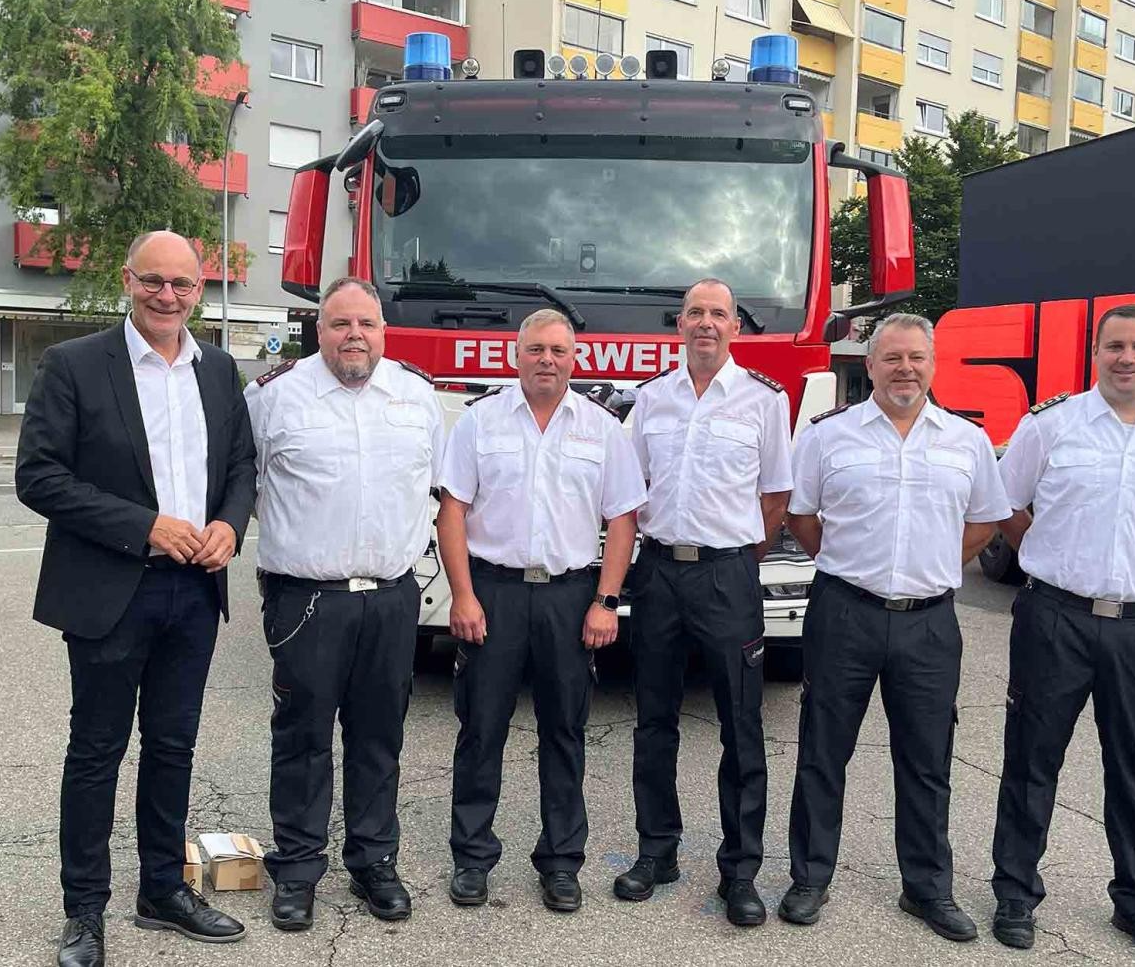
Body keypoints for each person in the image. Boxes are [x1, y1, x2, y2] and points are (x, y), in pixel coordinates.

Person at [16, 231, 257, 967]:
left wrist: (228, 525)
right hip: (109, 589)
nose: (167, 295)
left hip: (193, 592)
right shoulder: (75, 364)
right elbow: (39, 475)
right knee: (96, 752)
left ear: (198, 289)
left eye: (182, 284)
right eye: (153, 280)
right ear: (127, 280)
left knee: (173, 746)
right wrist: (143, 525)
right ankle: (84, 912)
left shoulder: (218, 370)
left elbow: (243, 465)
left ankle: (162, 890)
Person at [990, 304, 1135, 963]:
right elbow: (1005, 503)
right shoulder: (1050, 425)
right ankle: (1014, 892)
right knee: (1031, 759)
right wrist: (1051, 553)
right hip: (1053, 619)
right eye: (1114, 346)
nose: (1126, 357)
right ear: (1094, 353)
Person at [778, 312, 1010, 941]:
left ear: (933, 364)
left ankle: (927, 888)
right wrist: (850, 565)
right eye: (892, 358)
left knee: (927, 759)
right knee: (824, 751)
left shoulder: (964, 441)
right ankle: (810, 877)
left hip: (929, 624)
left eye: (916, 358)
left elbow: (987, 521)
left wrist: (933, 567)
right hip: (844, 612)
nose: (905, 368)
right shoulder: (830, 437)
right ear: (870, 365)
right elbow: (801, 516)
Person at [244, 277, 445, 931]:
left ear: (383, 330)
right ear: (319, 329)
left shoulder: (417, 396)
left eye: (365, 323)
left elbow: (435, 492)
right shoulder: (273, 398)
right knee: (301, 740)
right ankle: (297, 870)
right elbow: (239, 484)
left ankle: (373, 862)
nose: (353, 335)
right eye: (338, 324)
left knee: (378, 738)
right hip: (306, 600)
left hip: (390, 598)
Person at [438, 308, 645, 913]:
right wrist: (463, 594)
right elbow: (453, 510)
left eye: (558, 350)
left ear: (575, 359)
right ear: (515, 354)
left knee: (564, 731)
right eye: (535, 349)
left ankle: (561, 861)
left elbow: (623, 518)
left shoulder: (603, 429)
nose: (546, 360)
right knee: (481, 729)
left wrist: (607, 601)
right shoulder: (479, 422)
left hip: (569, 594)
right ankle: (472, 858)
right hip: (493, 592)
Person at [614, 278, 792, 927]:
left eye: (718, 313)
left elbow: (774, 496)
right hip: (659, 573)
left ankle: (738, 870)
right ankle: (655, 851)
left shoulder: (763, 401)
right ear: (679, 324)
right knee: (653, 720)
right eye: (696, 313)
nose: (706, 323)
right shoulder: (651, 398)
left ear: (734, 327)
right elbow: (629, 489)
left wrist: (736, 563)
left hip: (726, 575)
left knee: (741, 728)